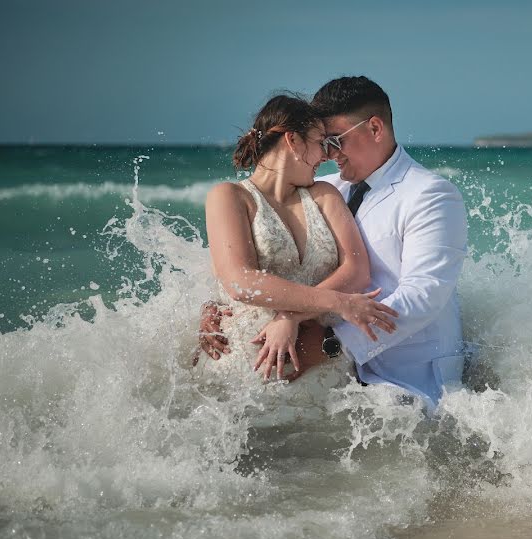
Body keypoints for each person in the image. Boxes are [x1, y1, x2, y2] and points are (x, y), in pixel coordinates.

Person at [200, 77, 467, 411]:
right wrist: (213, 307)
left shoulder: (429, 194)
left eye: (335, 141)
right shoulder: (321, 188)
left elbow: (424, 295)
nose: (328, 155)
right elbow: (241, 260)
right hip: (336, 382)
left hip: (406, 380)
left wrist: (329, 341)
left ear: (374, 128)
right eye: (322, 144)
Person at [195, 93, 398, 393]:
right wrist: (338, 302)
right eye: (320, 142)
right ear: (293, 141)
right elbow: (239, 280)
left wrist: (289, 316)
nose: (327, 155)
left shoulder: (325, 195)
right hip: (247, 372)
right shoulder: (230, 196)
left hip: (324, 374)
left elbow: (357, 271)